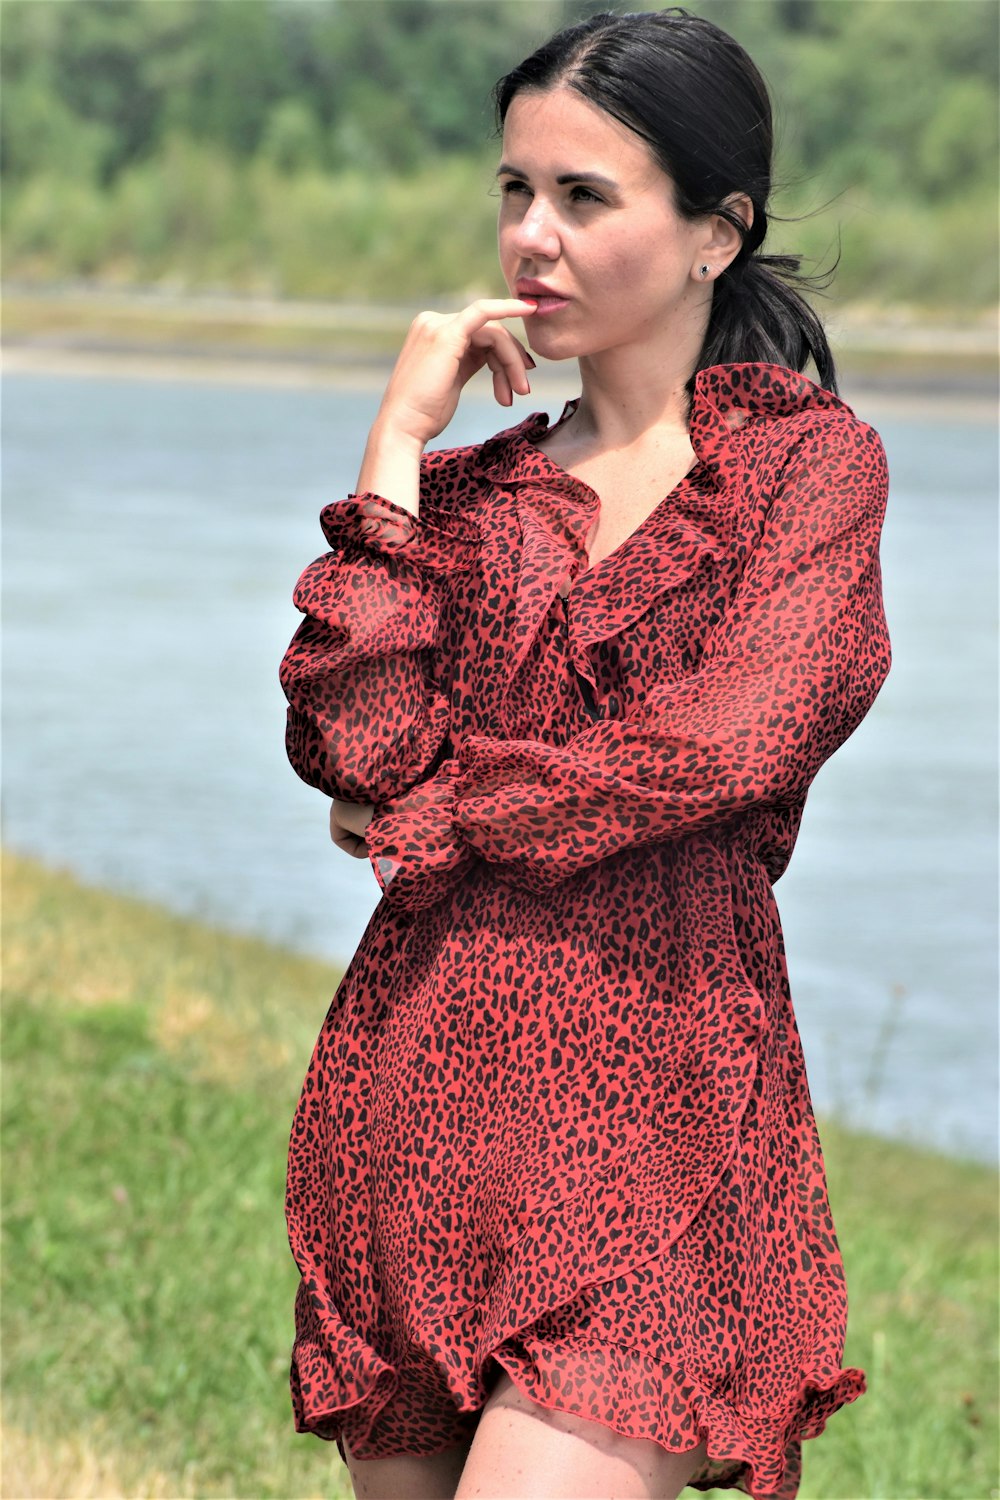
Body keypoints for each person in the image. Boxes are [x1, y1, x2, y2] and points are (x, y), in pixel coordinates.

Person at [278, 9, 891, 1499]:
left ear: (714, 233)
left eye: (583, 196)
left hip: (658, 1143)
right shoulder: (471, 497)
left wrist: (442, 815)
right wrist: (395, 448)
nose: (528, 238)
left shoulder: (806, 470)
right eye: (513, 191)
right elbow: (355, 748)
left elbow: (733, 741)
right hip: (410, 1119)